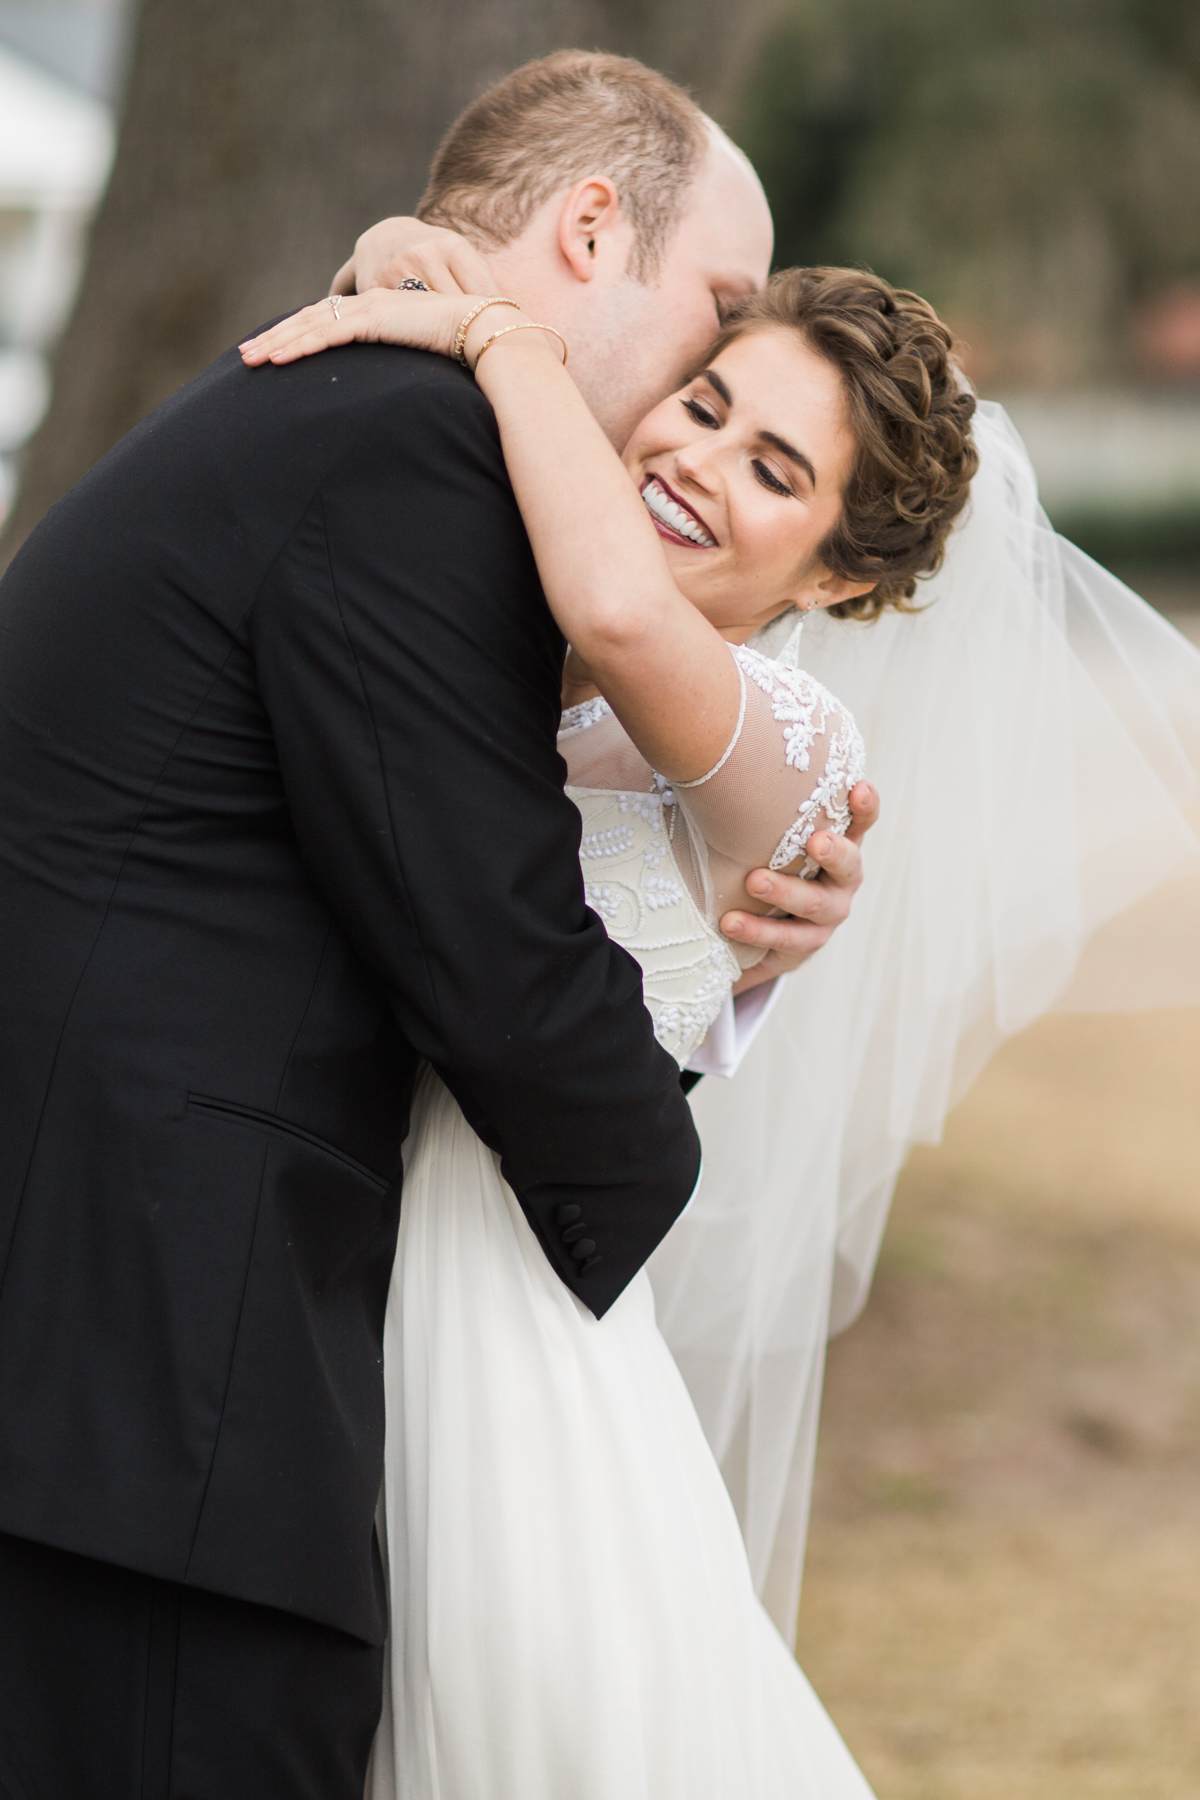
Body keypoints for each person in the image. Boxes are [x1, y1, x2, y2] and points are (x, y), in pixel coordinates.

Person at [0, 52, 884, 1800]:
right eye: (708, 341)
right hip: (156, 1392)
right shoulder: (411, 441)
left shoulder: (374, 423)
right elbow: (486, 943)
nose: (685, 420)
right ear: (583, 227)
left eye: (766, 450)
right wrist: (648, 1160)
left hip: (226, 1369)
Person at [241, 224, 979, 1789]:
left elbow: (632, 612)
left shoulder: (789, 741)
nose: (702, 459)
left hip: (513, 1329)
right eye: (705, 401)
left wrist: (499, 336)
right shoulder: (522, 651)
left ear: (839, 575)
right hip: (336, 1275)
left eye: (777, 470)